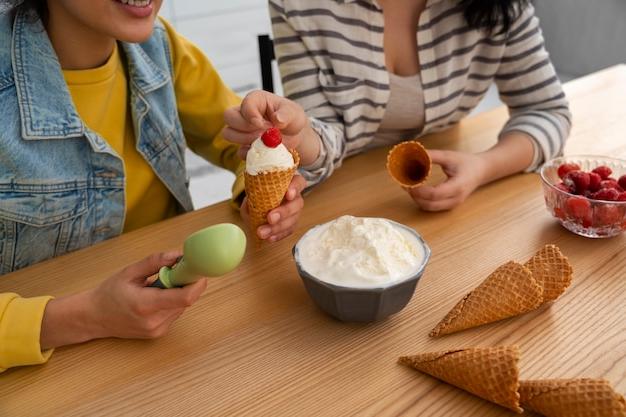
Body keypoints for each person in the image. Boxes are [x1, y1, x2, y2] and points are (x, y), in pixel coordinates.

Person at [0, 0, 305, 371]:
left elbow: (239, 143)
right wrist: (87, 316)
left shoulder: (160, 46)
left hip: (179, 341)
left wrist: (258, 197)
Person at [225, 0, 571, 211]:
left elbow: (546, 110)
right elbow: (323, 135)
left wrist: (482, 167)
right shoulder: (298, 4)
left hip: (456, 201)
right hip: (345, 195)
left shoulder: (502, 7)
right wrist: (299, 135)